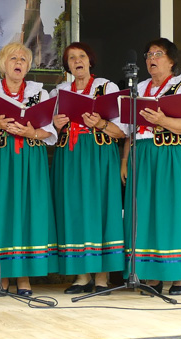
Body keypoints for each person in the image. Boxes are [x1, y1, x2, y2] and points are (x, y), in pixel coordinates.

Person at [120, 38, 181, 296]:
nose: (151, 59)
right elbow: (129, 132)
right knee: (144, 213)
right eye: (148, 54)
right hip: (143, 155)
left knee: (173, 213)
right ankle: (152, 274)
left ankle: (178, 275)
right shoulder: (138, 89)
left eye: (158, 54)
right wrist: (125, 160)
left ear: (171, 60)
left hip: (171, 155)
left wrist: (162, 119)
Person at [0, 42, 58, 296]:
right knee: (1, 212)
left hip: (30, 160)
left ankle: (24, 276)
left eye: (23, 59)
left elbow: (51, 131)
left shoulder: (39, 93)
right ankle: (2, 274)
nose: (19, 62)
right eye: (13, 58)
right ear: (2, 64)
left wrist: (32, 131)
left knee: (27, 212)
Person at [50, 42, 126, 294]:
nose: (77, 61)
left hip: (99, 154)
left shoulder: (107, 87)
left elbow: (122, 131)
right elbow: (47, 133)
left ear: (90, 61)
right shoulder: (58, 92)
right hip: (69, 157)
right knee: (73, 210)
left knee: (101, 209)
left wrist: (101, 123)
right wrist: (57, 124)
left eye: (81, 56)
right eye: (71, 58)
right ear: (67, 65)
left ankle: (102, 276)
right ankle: (81, 275)